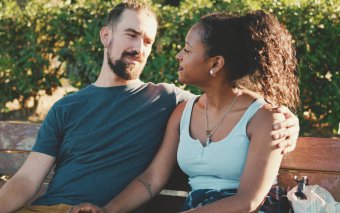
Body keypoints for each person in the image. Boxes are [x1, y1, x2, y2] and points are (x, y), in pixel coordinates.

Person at [0, 2, 299, 213]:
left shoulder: (167, 100)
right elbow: (27, 180)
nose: (140, 48)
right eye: (131, 35)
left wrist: (288, 119)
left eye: (148, 41)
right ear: (106, 36)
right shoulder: (65, 108)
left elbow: (231, 96)